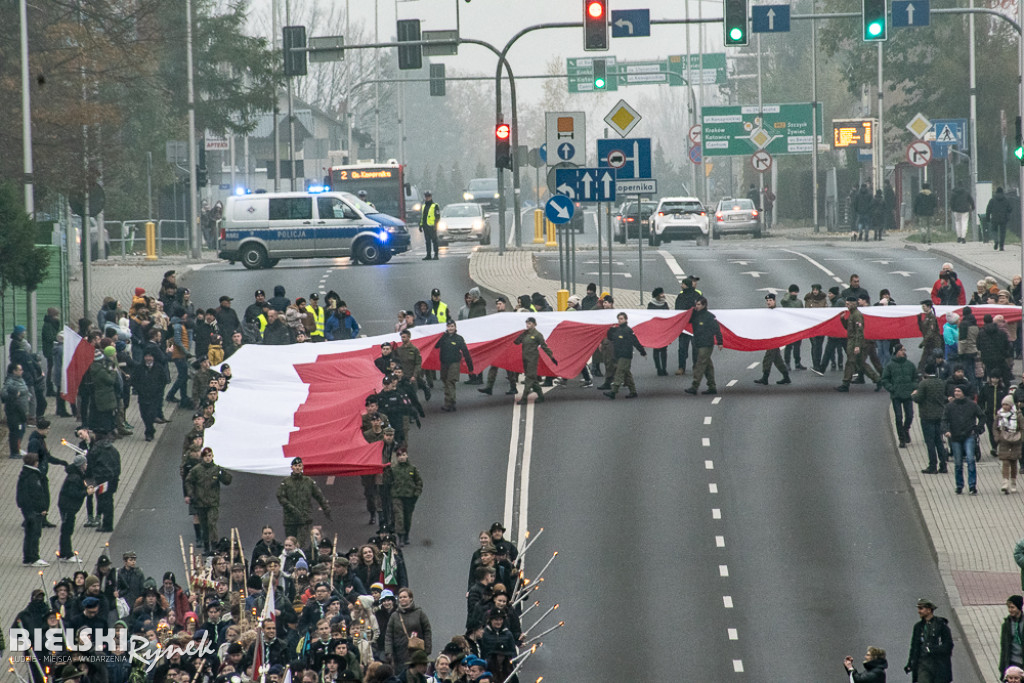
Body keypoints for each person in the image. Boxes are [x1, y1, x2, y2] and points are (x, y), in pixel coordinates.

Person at [185, 447, 233, 554]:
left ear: (212, 456)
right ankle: (206, 547)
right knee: (204, 525)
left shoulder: (216, 469)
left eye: (210, 456)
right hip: (200, 502)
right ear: (203, 457)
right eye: (206, 456)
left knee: (212, 523)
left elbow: (228, 480)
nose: (208, 458)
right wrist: (191, 494)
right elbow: (188, 481)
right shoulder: (197, 470)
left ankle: (214, 545)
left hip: (212, 502)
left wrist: (222, 473)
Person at [277, 457, 331, 547]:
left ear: (302, 467)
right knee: (290, 542)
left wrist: (326, 507)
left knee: (301, 543)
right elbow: (280, 496)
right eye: (295, 466)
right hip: (290, 518)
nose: (298, 468)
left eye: (299, 466)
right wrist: (290, 507)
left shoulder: (308, 481)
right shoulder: (286, 482)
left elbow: (319, 495)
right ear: (292, 467)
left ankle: (300, 558)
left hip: (304, 517)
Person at [943, 385, 986, 495]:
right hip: (955, 437)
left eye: (959, 391)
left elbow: (982, 416)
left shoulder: (972, 405)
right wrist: (946, 431)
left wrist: (977, 428)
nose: (956, 393)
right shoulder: (949, 406)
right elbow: (944, 420)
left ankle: (972, 485)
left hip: (968, 435)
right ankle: (959, 485)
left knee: (971, 460)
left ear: (964, 393)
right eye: (955, 391)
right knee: (958, 463)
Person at [836, 297, 881, 392]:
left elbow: (859, 332)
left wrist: (857, 346)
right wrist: (843, 320)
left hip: (856, 342)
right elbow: (849, 328)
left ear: (853, 304)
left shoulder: (857, 315)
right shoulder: (852, 315)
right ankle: (877, 380)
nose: (846, 306)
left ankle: (845, 383)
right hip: (853, 341)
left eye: (848, 304)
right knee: (860, 364)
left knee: (850, 362)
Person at [904, 598, 953, 683]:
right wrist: (910, 663)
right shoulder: (918, 627)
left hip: (939, 664)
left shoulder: (941, 625)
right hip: (923, 664)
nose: (919, 611)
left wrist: (932, 649)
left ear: (929, 610)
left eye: (921, 608)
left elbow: (948, 645)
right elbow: (914, 647)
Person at [913, 364, 949, 474]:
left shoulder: (924, 383)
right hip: (939, 415)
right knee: (939, 440)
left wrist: (914, 395)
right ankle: (943, 465)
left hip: (927, 416)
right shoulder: (941, 382)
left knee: (930, 442)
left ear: (926, 373)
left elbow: (919, 398)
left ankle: (932, 466)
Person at [684, 296, 723, 396]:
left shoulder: (710, 317)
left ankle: (694, 386)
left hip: (707, 344)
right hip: (698, 342)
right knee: (708, 366)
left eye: (698, 304)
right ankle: (712, 386)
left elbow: (717, 329)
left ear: (704, 305)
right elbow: (685, 320)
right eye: (696, 304)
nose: (696, 306)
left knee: (700, 364)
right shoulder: (695, 315)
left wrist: (720, 342)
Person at [513, 317, 558, 405]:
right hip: (525, 359)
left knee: (529, 378)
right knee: (533, 379)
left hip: (533, 360)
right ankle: (541, 396)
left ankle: (524, 398)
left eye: (529, 323)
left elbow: (544, 346)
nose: (527, 325)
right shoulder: (525, 334)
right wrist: (522, 334)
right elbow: (516, 342)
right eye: (527, 323)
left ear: (534, 324)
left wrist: (551, 357)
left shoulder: (537, 335)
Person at [603, 312, 646, 399]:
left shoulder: (628, 330)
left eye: (622, 319)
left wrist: (642, 351)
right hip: (618, 355)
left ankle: (614, 391)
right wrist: (610, 329)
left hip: (625, 355)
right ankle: (633, 391)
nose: (620, 320)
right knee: (626, 374)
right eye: (619, 319)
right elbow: (610, 337)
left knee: (619, 372)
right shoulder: (617, 330)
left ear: (626, 320)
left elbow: (635, 342)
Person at [384, 448, 422, 546]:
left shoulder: (412, 469)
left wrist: (416, 493)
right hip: (397, 496)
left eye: (403, 455)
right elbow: (387, 482)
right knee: (399, 516)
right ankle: (400, 537)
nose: (401, 457)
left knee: (407, 517)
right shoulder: (394, 470)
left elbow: (419, 481)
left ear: (407, 456)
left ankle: (406, 535)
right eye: (399, 456)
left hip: (410, 497)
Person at [17, 451, 49, 567]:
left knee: (29, 534)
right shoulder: (33, 477)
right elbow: (37, 495)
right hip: (34, 511)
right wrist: (42, 508)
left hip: (27, 509)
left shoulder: (24, 474)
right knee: (35, 533)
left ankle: (27, 557)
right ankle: (34, 557)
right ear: (35, 463)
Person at [881, 344, 917, 448]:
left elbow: (915, 377)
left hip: (908, 394)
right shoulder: (890, 365)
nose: (903, 352)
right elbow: (885, 379)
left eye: (904, 350)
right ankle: (901, 439)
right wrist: (892, 389)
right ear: (896, 352)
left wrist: (913, 387)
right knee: (898, 417)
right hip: (896, 395)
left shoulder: (910, 365)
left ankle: (905, 429)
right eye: (902, 350)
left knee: (910, 415)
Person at [434, 321, 473, 412]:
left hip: (454, 363)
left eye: (452, 326)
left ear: (455, 327)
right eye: (448, 326)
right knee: (445, 380)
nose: (450, 328)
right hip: (444, 363)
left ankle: (449, 403)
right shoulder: (443, 338)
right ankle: (451, 401)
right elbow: (436, 346)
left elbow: (465, 352)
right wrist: (442, 336)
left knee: (450, 381)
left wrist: (470, 365)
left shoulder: (459, 339)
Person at [754, 294, 791, 386]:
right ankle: (786, 377)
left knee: (768, 357)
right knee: (777, 359)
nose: (768, 302)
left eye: (770, 300)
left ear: (774, 301)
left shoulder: (778, 312)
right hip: (770, 337)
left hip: (775, 338)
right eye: (767, 301)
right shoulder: (766, 312)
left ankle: (765, 377)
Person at [996, 395, 1024, 494]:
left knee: (1013, 463)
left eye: (1007, 404)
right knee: (1005, 462)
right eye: (1003, 404)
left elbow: (1022, 427)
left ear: (1011, 405)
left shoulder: (1018, 415)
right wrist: (997, 437)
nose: (1005, 406)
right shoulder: (999, 415)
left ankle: (1013, 482)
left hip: (1015, 441)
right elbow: (995, 427)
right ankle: (1005, 482)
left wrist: (1021, 438)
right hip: (1004, 440)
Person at [3, 362, 30, 457]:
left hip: (22, 410)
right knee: (16, 431)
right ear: (14, 371)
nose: (22, 371)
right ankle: (14, 452)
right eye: (20, 370)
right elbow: (4, 394)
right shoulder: (10, 381)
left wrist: (28, 396)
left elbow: (25, 390)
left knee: (22, 429)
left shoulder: (21, 380)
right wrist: (15, 395)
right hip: (14, 411)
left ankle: (17, 449)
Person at [674, 277, 699, 375]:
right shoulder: (680, 297)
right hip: (684, 326)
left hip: (694, 325)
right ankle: (681, 367)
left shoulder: (697, 295)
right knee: (682, 348)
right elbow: (678, 310)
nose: (681, 286)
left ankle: (696, 367)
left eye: (683, 284)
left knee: (696, 348)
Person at [779, 285, 805, 370]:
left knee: (797, 347)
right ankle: (787, 363)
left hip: (797, 326)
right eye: (793, 292)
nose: (794, 293)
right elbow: (783, 301)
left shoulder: (799, 302)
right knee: (789, 346)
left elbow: (803, 313)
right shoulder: (787, 301)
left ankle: (797, 363)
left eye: (796, 292)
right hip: (788, 326)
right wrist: (787, 294)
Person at [647, 288, 670, 376]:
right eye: (661, 293)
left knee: (664, 350)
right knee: (656, 349)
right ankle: (658, 368)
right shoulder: (651, 305)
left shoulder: (665, 304)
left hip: (664, 330)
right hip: (655, 330)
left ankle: (664, 368)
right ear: (657, 295)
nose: (663, 295)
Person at [1002, 596, 1024, 675]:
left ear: (1018, 607)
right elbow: (1004, 646)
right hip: (1011, 662)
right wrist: (1002, 668)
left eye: (1012, 607)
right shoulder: (1007, 624)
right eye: (1009, 607)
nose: (1010, 610)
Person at [988, 187, 1015, 251]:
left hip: (994, 218)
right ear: (1002, 192)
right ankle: (1001, 246)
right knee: (1002, 233)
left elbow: (988, 209)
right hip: (1003, 218)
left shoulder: (992, 200)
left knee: (994, 230)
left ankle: (996, 240)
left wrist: (987, 217)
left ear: (996, 192)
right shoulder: (1006, 200)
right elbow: (1010, 209)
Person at [419, 191, 441, 260]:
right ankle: (428, 255)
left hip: (432, 226)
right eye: (426, 197)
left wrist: (435, 225)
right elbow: (423, 217)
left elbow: (437, 216)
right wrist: (421, 225)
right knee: (427, 241)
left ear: (431, 197)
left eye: (428, 196)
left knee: (434, 241)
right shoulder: (424, 206)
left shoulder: (435, 205)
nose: (427, 198)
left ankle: (436, 255)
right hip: (425, 226)